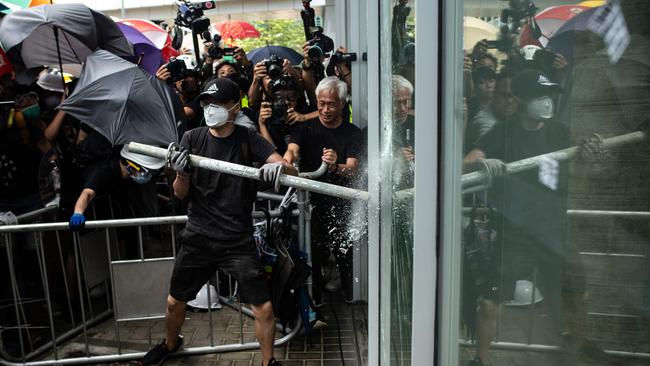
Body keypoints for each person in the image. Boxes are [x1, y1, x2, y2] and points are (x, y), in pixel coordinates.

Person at [142, 78, 296, 366]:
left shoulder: (248, 139)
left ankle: (268, 362)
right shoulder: (193, 138)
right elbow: (180, 194)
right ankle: (171, 344)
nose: (210, 109)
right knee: (175, 301)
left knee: (262, 308)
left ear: (235, 107)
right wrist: (182, 174)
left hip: (237, 239)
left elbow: (291, 169)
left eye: (218, 104)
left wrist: (276, 166)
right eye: (206, 103)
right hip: (199, 235)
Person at [463, 69, 577, 366]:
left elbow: (589, 162)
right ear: (522, 99)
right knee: (490, 301)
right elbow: (468, 162)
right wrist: (485, 164)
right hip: (514, 230)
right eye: (540, 96)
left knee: (574, 292)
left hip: (553, 227)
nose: (547, 102)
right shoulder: (504, 131)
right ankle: (480, 360)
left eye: (550, 95)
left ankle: (576, 348)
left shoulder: (560, 132)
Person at [284, 76, 362, 310]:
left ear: (342, 103)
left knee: (343, 250)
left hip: (341, 201)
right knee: (313, 253)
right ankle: (314, 299)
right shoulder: (304, 128)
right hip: (311, 202)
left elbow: (352, 168)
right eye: (321, 102)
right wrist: (286, 163)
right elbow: (291, 150)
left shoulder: (352, 132)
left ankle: (351, 296)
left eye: (331, 104)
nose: (325, 109)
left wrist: (335, 165)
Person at [68, 145, 165, 231]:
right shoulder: (102, 172)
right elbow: (87, 193)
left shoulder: (131, 177)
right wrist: (78, 213)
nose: (146, 175)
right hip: (98, 216)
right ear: (130, 165)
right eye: (144, 170)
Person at [465, 70, 518, 153]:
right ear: (494, 94)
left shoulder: (517, 115)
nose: (510, 101)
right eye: (505, 95)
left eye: (515, 96)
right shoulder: (484, 120)